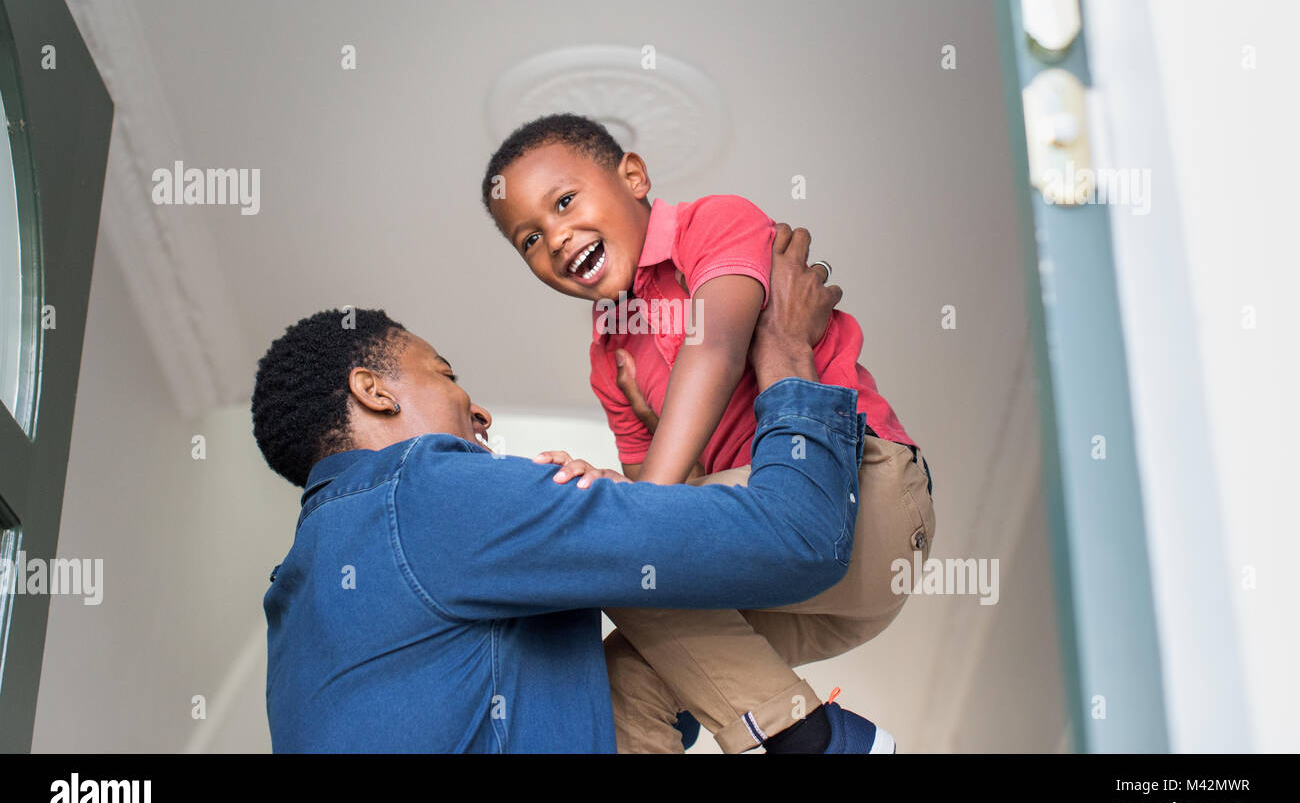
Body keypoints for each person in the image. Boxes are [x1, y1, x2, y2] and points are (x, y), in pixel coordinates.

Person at [253, 225, 890, 752]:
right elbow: (798, 533)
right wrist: (784, 350)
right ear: (374, 391)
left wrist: (665, 454)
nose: (481, 415)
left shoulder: (296, 614)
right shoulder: (427, 492)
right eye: (446, 377)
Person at [481, 113, 936, 753]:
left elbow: (715, 347)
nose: (555, 238)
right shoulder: (610, 357)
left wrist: (625, 506)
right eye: (528, 239)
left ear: (634, 177)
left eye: (564, 202)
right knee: (626, 682)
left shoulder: (712, 223)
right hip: (803, 594)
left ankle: (818, 743)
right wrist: (634, 480)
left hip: (866, 501)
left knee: (607, 540)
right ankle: (814, 736)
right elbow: (674, 529)